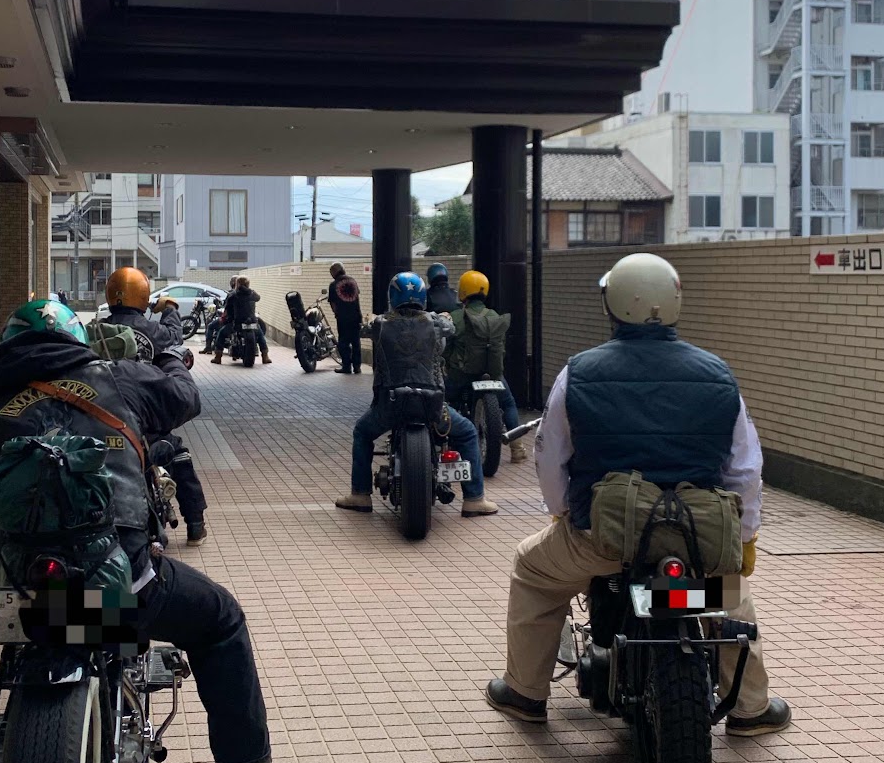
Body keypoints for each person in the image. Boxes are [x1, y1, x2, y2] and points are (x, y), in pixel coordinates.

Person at [0, 298, 274, 763]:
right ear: (77, 341)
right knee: (221, 620)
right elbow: (186, 395)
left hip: (9, 587)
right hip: (121, 584)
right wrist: (166, 350)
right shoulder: (119, 380)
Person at [485, 252, 791, 737]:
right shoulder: (717, 373)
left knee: (533, 570)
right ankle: (751, 708)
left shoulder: (579, 372)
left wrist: (563, 513)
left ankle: (525, 692)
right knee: (728, 596)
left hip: (603, 538)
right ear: (675, 303)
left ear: (613, 305)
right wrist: (746, 537)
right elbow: (745, 468)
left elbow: (549, 456)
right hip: (696, 539)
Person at [335, 271, 498, 517]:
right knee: (466, 432)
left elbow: (363, 329)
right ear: (422, 296)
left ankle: (360, 495)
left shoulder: (380, 324)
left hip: (390, 404)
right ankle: (474, 499)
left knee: (362, 432)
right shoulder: (436, 322)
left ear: (392, 296)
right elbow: (451, 328)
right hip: (432, 405)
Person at [102, 267, 209, 547]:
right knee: (177, 454)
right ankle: (195, 524)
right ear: (142, 295)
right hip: (147, 410)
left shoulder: (97, 329)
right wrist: (170, 308)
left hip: (104, 412)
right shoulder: (153, 330)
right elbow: (175, 337)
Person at [445, 270, 528, 465]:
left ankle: (447, 444)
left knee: (445, 402)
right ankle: (517, 448)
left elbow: (446, 348)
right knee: (508, 403)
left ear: (463, 291)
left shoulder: (456, 317)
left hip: (462, 375)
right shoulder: (494, 316)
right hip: (492, 373)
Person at [212, 275, 271, 365]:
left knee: (221, 333)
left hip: (237, 323)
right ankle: (265, 356)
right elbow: (258, 298)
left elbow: (227, 309)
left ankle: (218, 357)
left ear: (237, 283)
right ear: (248, 284)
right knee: (260, 335)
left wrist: (226, 318)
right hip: (252, 322)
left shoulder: (233, 295)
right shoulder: (252, 293)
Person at [327, 261, 364, 375]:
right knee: (356, 342)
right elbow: (356, 296)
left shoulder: (333, 285)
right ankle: (357, 367)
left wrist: (337, 313)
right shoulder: (352, 281)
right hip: (356, 316)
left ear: (334, 272)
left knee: (343, 343)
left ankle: (347, 366)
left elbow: (333, 304)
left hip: (343, 318)